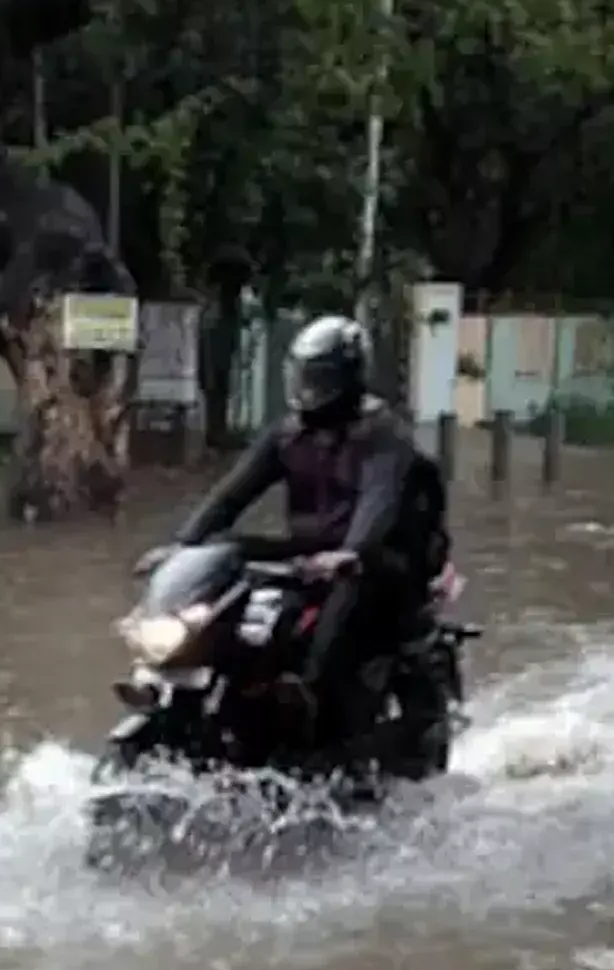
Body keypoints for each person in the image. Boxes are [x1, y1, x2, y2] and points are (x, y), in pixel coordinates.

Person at [145, 314, 451, 774]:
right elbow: (232, 493)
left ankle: (307, 692)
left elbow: (379, 499)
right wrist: (183, 545)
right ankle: (222, 681)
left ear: (346, 377)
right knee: (228, 550)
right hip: (310, 554)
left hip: (378, 560)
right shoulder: (289, 434)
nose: (308, 388)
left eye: (319, 378)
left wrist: (351, 552)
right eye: (304, 376)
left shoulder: (384, 435)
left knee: (353, 585)